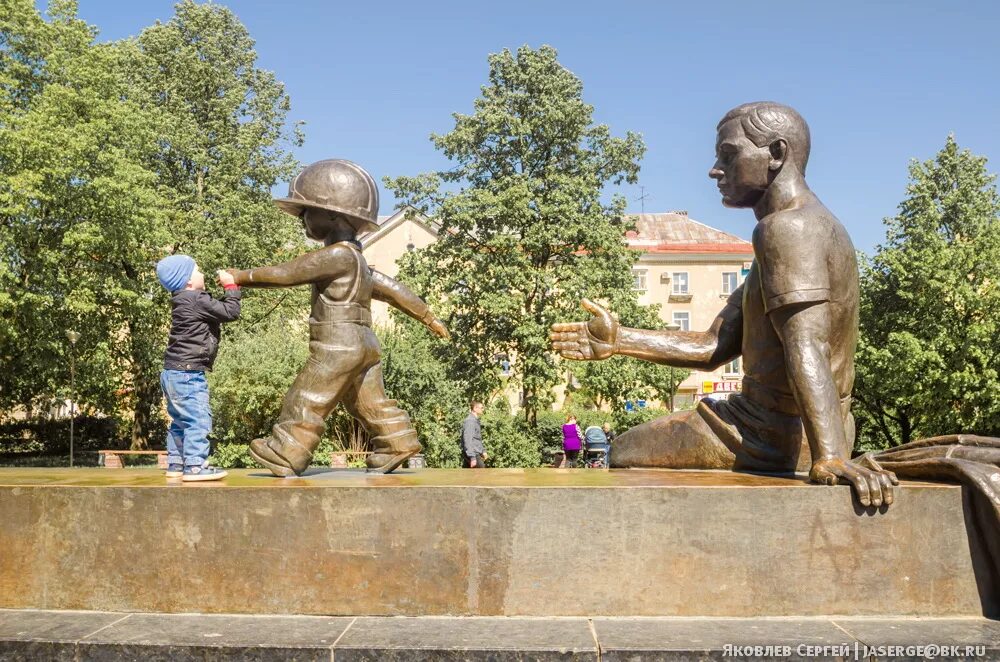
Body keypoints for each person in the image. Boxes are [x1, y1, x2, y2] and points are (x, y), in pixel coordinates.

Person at [551, 102, 897, 507]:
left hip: (771, 434)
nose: (715, 169)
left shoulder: (785, 229)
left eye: (729, 155)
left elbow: (808, 345)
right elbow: (714, 344)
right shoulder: (811, 225)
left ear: (777, 155)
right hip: (799, 429)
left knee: (624, 454)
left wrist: (831, 457)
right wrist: (619, 340)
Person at [227, 159, 449, 477]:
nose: (301, 219)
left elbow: (286, 274)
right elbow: (394, 290)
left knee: (307, 395)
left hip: (338, 343)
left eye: (306, 211)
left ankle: (286, 452)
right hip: (366, 343)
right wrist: (428, 316)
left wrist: (241, 276)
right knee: (366, 402)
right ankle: (395, 442)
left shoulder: (337, 256)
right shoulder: (359, 262)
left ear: (333, 214)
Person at [157, 255, 240, 482]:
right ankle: (195, 467)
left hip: (172, 372)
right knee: (198, 419)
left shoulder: (183, 299)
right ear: (188, 282)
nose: (202, 273)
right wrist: (230, 286)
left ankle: (177, 462)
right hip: (188, 372)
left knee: (180, 421)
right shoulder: (196, 299)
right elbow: (230, 312)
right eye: (198, 270)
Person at [461, 401, 487, 468]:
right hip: (473, 453)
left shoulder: (475, 420)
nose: (483, 409)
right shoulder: (470, 421)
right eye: (481, 408)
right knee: (482, 474)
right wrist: (472, 457)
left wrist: (483, 451)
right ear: (475, 408)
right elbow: (468, 439)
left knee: (469, 476)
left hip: (474, 452)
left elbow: (477, 439)